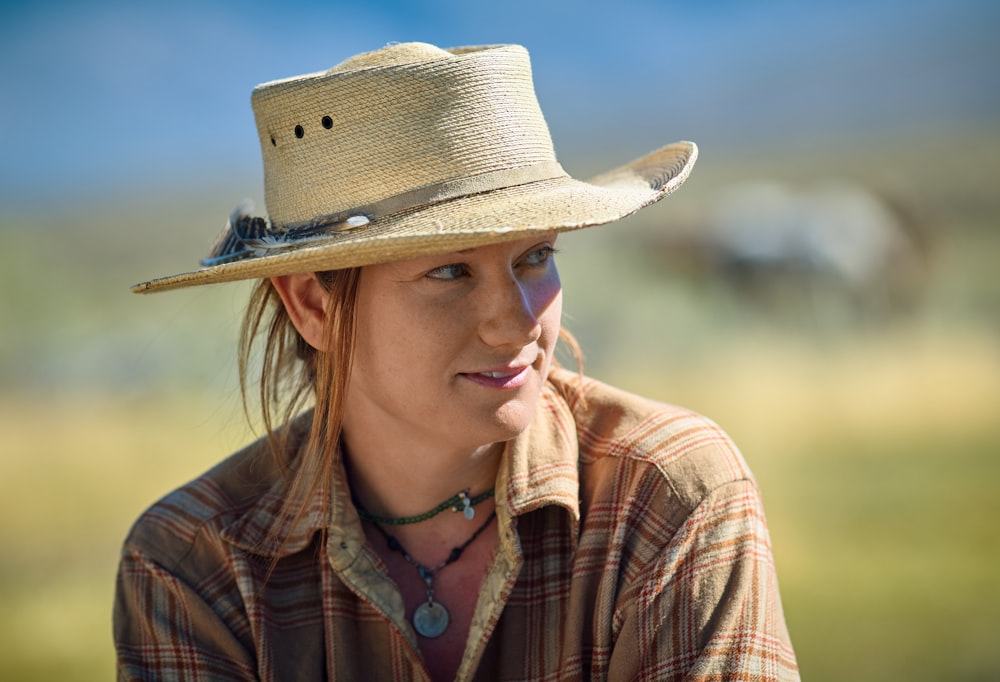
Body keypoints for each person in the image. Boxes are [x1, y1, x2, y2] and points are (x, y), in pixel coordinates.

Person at [115, 42, 798, 681]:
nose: (515, 321)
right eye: (449, 271)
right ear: (312, 306)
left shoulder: (665, 497)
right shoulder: (196, 563)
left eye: (535, 257)